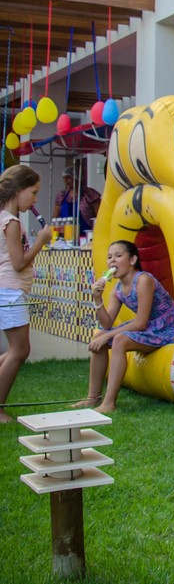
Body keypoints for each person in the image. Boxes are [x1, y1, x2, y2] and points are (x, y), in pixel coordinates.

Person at [75, 240, 174, 414]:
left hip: (165, 327)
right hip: (148, 327)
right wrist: (97, 299)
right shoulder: (117, 289)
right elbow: (107, 323)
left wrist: (109, 336)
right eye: (109, 257)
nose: (112, 260)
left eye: (118, 255)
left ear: (132, 260)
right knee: (99, 336)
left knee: (119, 340)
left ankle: (109, 403)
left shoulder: (143, 280)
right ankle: (93, 397)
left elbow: (140, 322)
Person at [0, 166, 52, 423]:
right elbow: (19, 263)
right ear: (18, 190)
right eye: (33, 192)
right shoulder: (11, 222)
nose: (35, 199)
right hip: (10, 290)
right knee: (20, 351)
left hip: (9, 290)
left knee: (16, 350)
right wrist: (41, 241)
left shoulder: (6, 218)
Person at [54, 166, 101, 234]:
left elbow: (100, 217)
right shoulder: (61, 196)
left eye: (68, 178)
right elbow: (55, 218)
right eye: (64, 178)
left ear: (76, 178)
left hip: (86, 236)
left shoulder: (90, 195)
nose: (65, 181)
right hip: (65, 236)